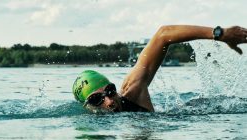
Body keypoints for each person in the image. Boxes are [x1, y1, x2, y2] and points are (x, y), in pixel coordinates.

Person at [73, 25, 247, 112]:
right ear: (87, 107)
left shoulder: (132, 91)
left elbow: (163, 34)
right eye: (97, 100)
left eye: (110, 91)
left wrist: (220, 34)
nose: (109, 101)